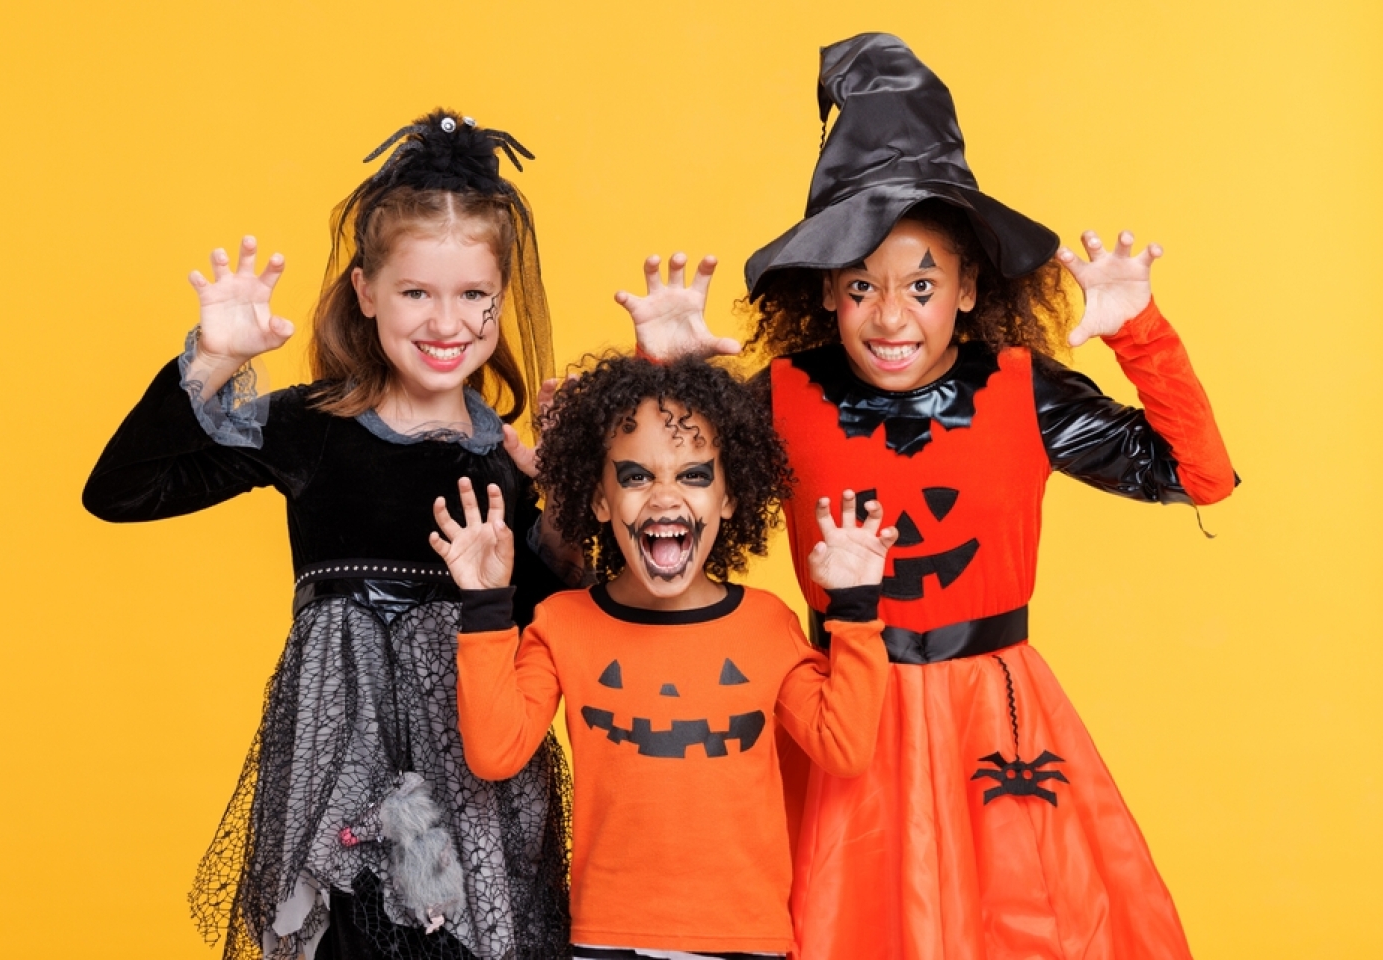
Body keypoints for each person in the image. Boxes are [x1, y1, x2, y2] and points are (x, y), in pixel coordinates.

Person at [619, 34, 1236, 960]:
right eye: (863, 286)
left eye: (920, 284)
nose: (892, 315)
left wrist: (1140, 334)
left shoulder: (1025, 388)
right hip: (843, 711)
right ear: (828, 292)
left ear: (967, 287)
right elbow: (658, 524)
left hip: (995, 716)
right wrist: (660, 382)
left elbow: (1202, 476)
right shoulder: (783, 397)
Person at [83, 110, 571, 960]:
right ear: (366, 292)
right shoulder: (312, 427)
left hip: (478, 788)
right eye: (417, 292)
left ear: (500, 301)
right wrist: (213, 357)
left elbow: (561, 622)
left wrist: (560, 504)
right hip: (337, 780)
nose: (445, 322)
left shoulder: (511, 458)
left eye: (471, 297)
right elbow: (122, 492)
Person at [429, 355, 897, 959]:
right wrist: (488, 604)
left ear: (730, 498)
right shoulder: (564, 622)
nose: (666, 497)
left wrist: (856, 610)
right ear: (599, 499)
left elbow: (845, 746)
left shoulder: (767, 622)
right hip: (607, 937)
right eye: (637, 476)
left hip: (745, 938)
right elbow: (494, 754)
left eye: (695, 476)